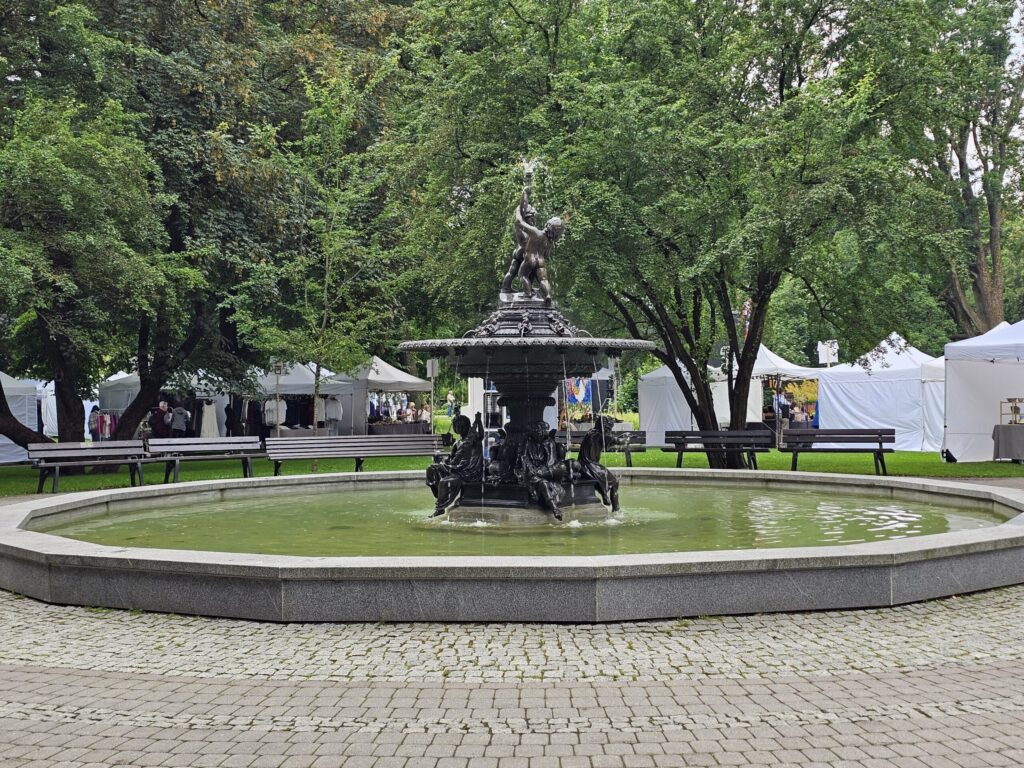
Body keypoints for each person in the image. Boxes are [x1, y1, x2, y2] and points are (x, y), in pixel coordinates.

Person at [426, 412, 484, 517]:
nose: (458, 428)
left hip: (469, 472)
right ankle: (439, 495)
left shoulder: (473, 439)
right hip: (456, 468)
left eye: (461, 426)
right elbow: (450, 460)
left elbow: (481, 435)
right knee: (431, 469)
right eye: (456, 426)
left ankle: (440, 508)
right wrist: (442, 463)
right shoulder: (457, 443)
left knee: (445, 482)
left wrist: (479, 422)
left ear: (466, 426)